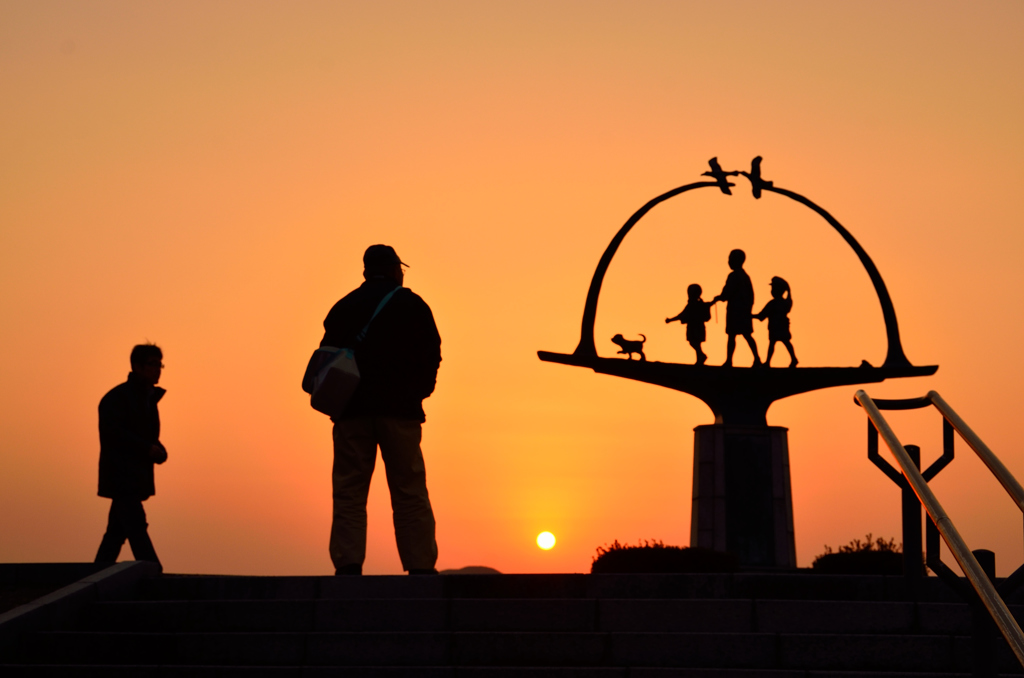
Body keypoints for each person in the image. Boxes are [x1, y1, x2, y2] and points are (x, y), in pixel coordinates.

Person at [320, 244, 442, 575]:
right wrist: (420, 392)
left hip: (351, 411)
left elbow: (325, 357)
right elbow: (432, 353)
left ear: (365, 271)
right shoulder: (413, 305)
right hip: (400, 412)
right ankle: (420, 568)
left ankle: (348, 565)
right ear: (393, 270)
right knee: (409, 491)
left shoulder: (343, 308)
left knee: (349, 491)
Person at [94, 344, 168, 569]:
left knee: (116, 532)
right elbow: (115, 433)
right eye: (152, 364)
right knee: (136, 526)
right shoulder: (117, 398)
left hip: (135, 476)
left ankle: (95, 574)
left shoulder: (147, 399)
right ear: (137, 366)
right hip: (121, 475)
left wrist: (157, 449)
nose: (158, 369)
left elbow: (145, 435)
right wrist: (146, 448)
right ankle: (154, 571)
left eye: (160, 365)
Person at [712, 249, 761, 367]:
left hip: (735, 311)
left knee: (732, 335)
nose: (728, 261)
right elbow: (751, 295)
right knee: (746, 335)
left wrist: (719, 298)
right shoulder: (745, 276)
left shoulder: (734, 276)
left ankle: (729, 361)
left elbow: (728, 291)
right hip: (744, 310)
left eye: (730, 259)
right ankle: (756, 359)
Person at [754, 276, 798, 368]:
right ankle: (792, 359)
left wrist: (750, 316)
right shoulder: (785, 303)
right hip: (781, 326)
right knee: (783, 342)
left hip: (776, 326)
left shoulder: (773, 303)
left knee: (774, 343)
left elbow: (762, 315)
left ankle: (768, 362)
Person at [665, 283, 713, 365]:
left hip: (694, 327)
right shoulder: (698, 304)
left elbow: (682, 315)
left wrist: (671, 320)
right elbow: (683, 314)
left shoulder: (694, 304)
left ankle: (701, 356)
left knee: (694, 342)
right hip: (697, 326)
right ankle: (699, 359)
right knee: (696, 343)